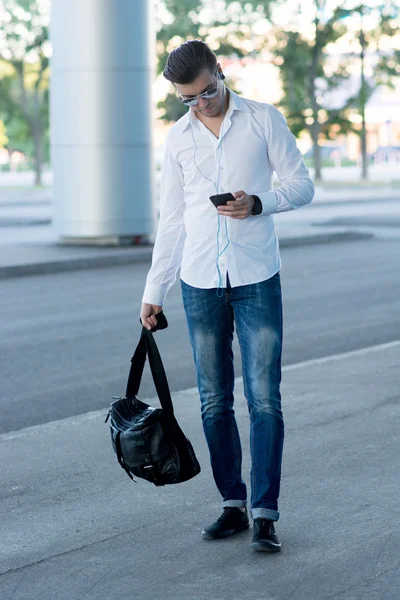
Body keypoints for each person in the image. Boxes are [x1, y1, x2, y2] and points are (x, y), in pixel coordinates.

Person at [140, 40, 314, 553]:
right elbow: (172, 220)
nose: (202, 103)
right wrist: (155, 291)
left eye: (207, 91)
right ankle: (232, 505)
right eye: (188, 98)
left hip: (257, 276)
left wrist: (259, 202)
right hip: (199, 283)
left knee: (264, 399)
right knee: (215, 401)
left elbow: (302, 185)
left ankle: (265, 513)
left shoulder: (263, 120)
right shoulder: (177, 139)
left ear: (220, 72)